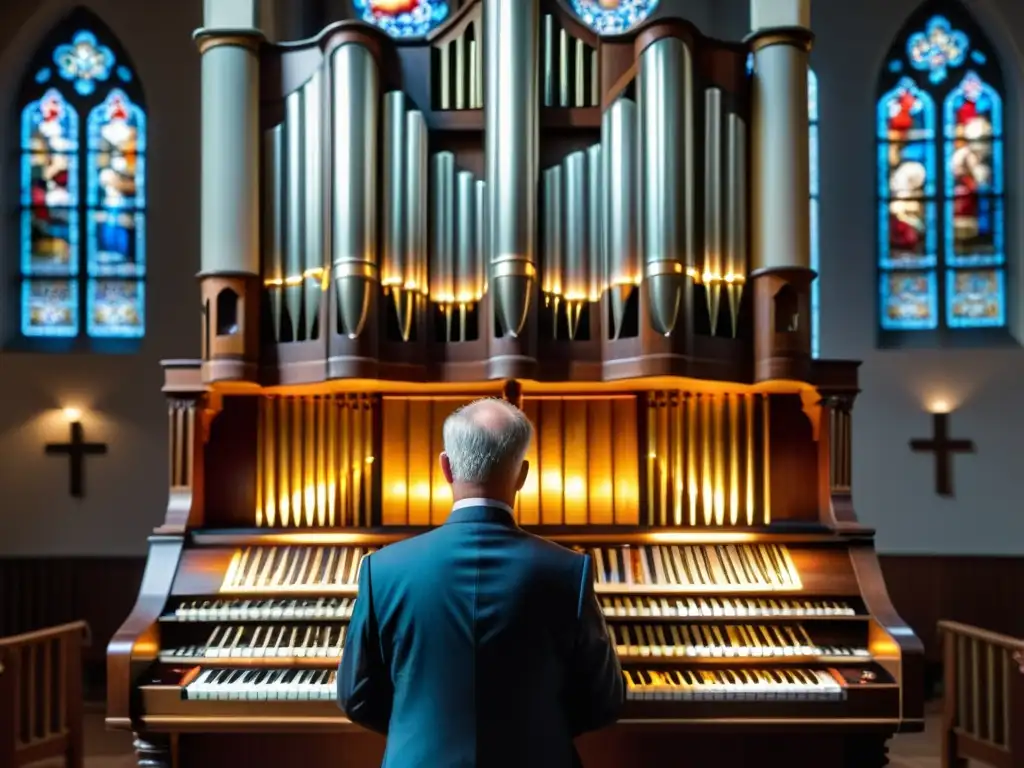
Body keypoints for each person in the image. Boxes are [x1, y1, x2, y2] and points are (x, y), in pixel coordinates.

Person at [337, 397, 624, 767]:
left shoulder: (383, 569)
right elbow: (604, 701)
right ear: (522, 474)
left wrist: (423, 729)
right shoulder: (570, 571)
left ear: (446, 467)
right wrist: (533, 730)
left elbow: (355, 697)